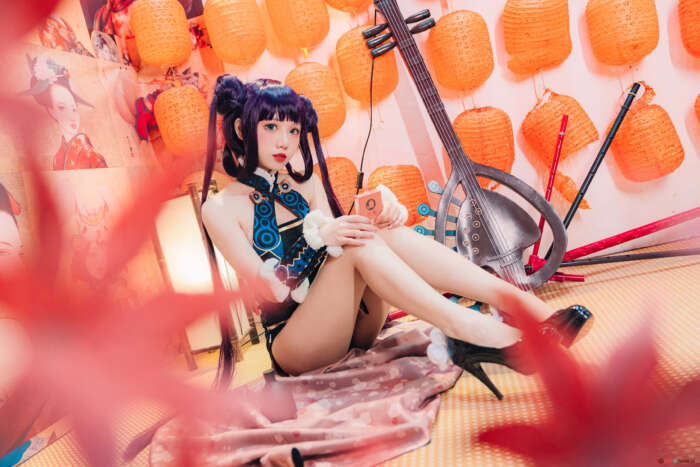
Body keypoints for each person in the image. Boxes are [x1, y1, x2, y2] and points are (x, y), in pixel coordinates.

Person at [200, 76, 593, 398]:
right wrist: (321, 238)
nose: (285, 141)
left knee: (376, 232)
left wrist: (383, 215)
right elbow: (270, 291)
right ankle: (473, 330)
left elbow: (335, 261)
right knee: (356, 245)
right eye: (270, 127)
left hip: (354, 326)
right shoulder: (218, 208)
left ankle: (529, 309)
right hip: (297, 345)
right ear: (241, 128)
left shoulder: (306, 184)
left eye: (293, 129)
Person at [20, 54, 108, 170]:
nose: (72, 116)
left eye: (74, 109)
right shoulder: (57, 159)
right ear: (51, 111)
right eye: (62, 107)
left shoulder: (92, 156)